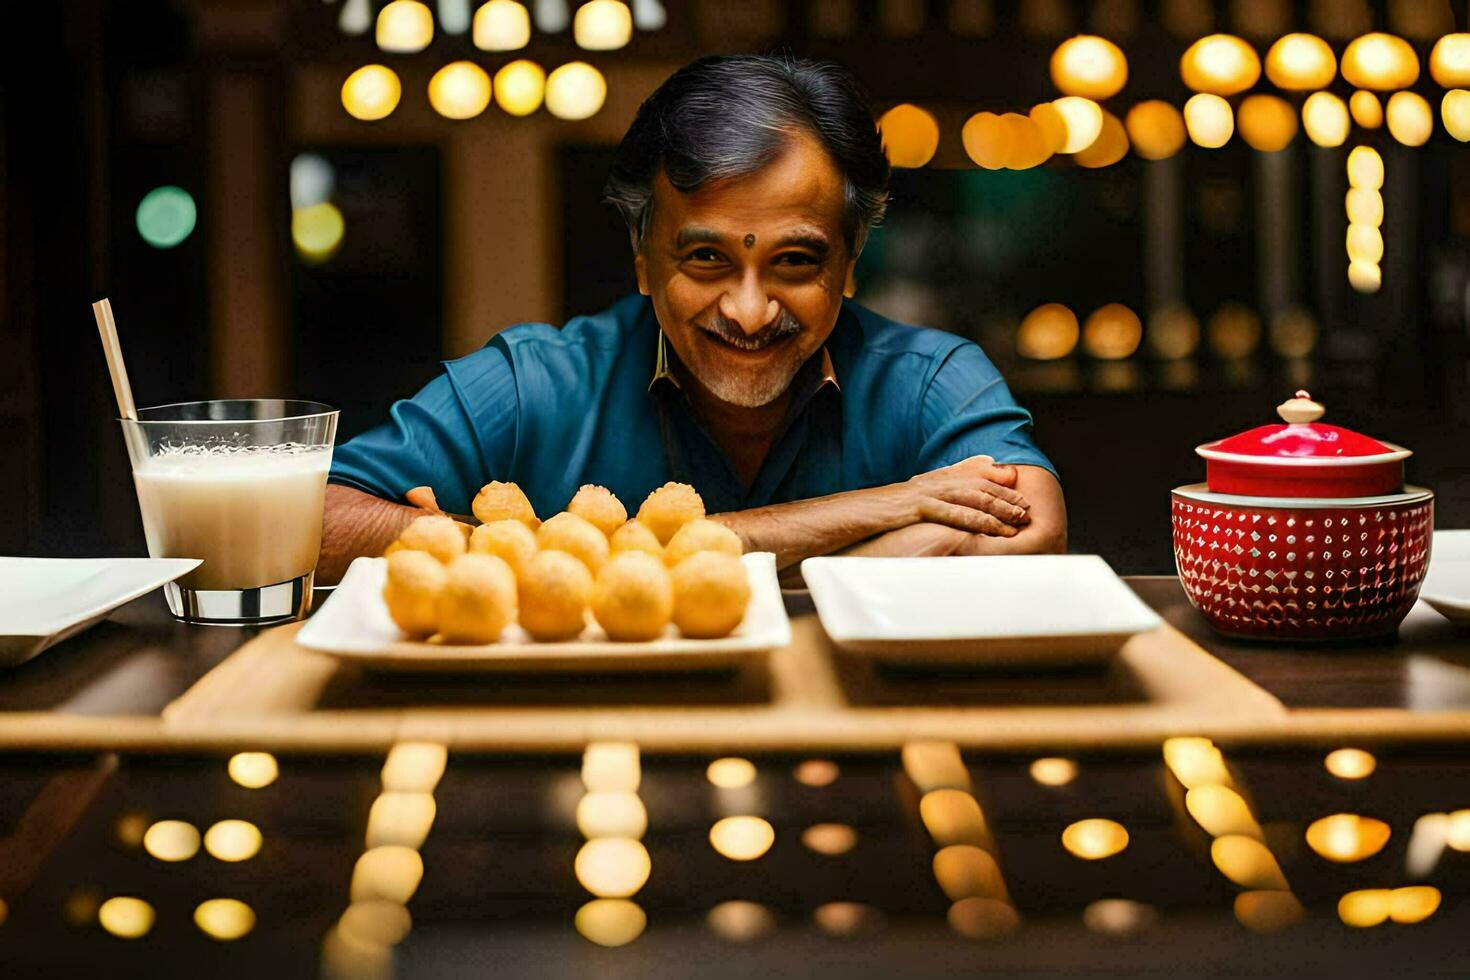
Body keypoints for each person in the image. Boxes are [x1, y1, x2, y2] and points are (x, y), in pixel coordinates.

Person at [320, 54, 1065, 583]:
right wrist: (873, 513)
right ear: (643, 258)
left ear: (850, 261)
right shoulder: (535, 382)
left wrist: (558, 557)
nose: (749, 310)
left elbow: (1032, 530)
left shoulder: (932, 377)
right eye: (706, 260)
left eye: (796, 262)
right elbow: (313, 523)